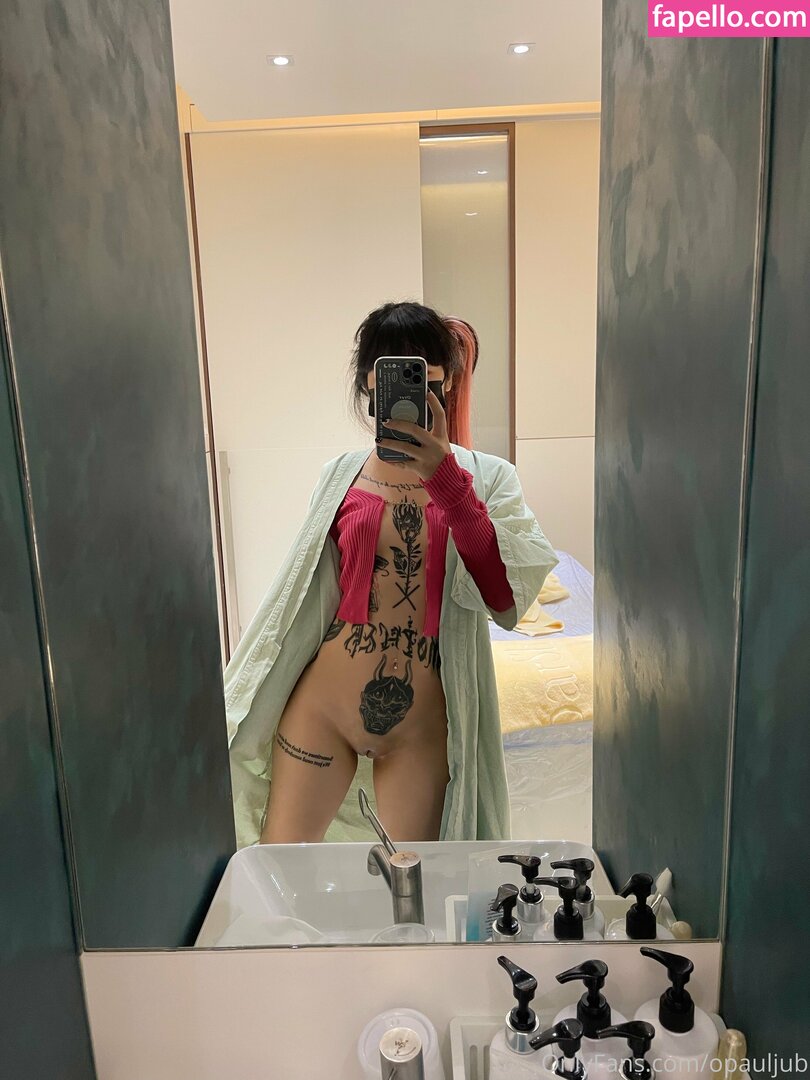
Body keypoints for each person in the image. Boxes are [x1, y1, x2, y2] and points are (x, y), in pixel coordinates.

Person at [227, 301, 558, 847]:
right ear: (368, 383)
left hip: (421, 729)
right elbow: (308, 590)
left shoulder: (488, 477)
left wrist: (447, 481)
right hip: (323, 709)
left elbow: (504, 601)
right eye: (391, 372)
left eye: (422, 372)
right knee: (282, 867)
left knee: (417, 885)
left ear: (445, 381)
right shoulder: (339, 474)